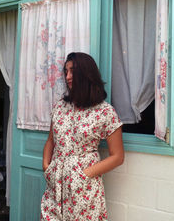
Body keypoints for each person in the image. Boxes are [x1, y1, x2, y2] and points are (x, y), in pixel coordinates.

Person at [41, 52, 124, 221]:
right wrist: (46, 166)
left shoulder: (105, 112)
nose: (68, 77)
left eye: (73, 71)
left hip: (84, 190)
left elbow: (118, 156)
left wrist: (84, 174)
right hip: (55, 186)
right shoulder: (60, 107)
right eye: (66, 72)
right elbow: (51, 140)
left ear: (87, 74)